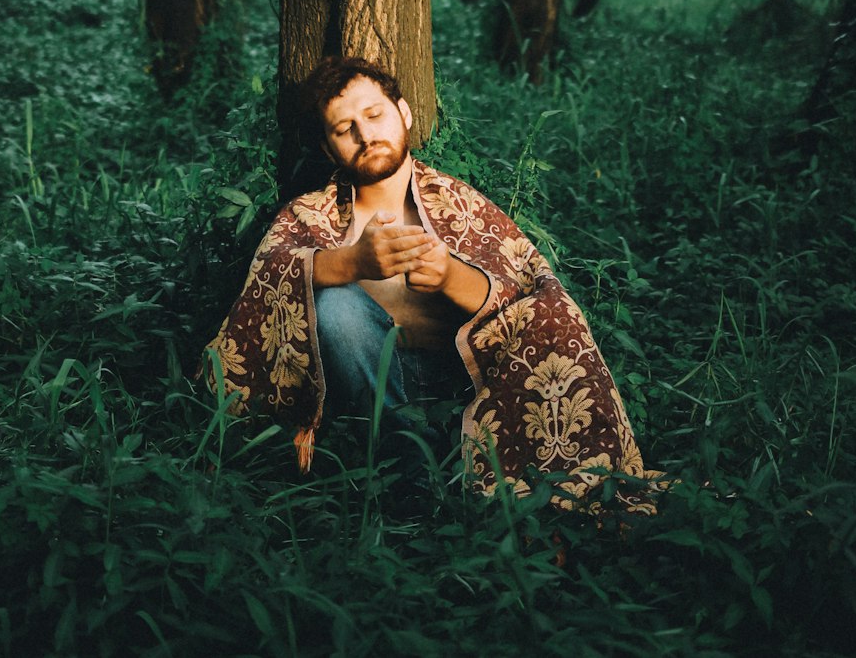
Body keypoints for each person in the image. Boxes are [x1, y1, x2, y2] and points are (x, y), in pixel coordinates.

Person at [203, 56, 655, 509]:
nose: (365, 135)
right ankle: (408, 484)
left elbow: (525, 297)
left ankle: (477, 476)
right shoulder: (308, 215)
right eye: (345, 129)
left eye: (375, 115)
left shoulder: (461, 204)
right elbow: (267, 279)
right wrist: (352, 262)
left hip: (464, 392)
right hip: (364, 399)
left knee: (550, 311)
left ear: (405, 114)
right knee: (337, 306)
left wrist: (449, 276)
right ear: (328, 148)